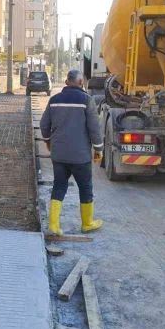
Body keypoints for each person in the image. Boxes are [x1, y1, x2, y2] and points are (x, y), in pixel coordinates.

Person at [39, 70, 105, 234]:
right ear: (81, 82)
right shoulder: (86, 100)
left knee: (59, 186)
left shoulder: (54, 100)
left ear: (67, 82)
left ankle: (54, 226)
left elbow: (44, 125)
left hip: (59, 154)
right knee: (85, 187)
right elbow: (94, 129)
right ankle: (87, 223)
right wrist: (98, 149)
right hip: (80, 156)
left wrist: (48, 140)